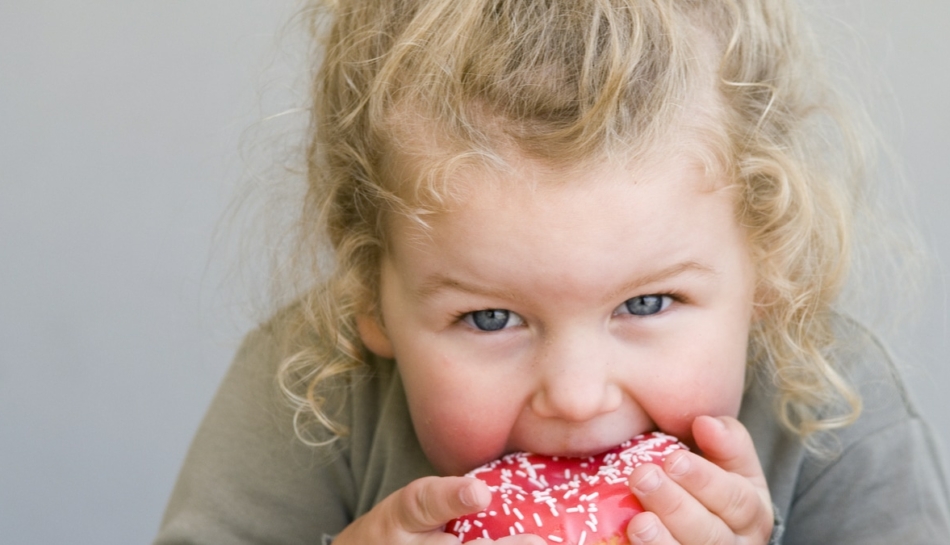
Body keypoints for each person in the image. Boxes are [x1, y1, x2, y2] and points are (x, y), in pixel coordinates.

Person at [154, 0, 950, 544]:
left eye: (646, 301)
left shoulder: (833, 409)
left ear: (768, 267)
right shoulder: (314, 391)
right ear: (369, 293)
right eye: (492, 318)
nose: (574, 396)